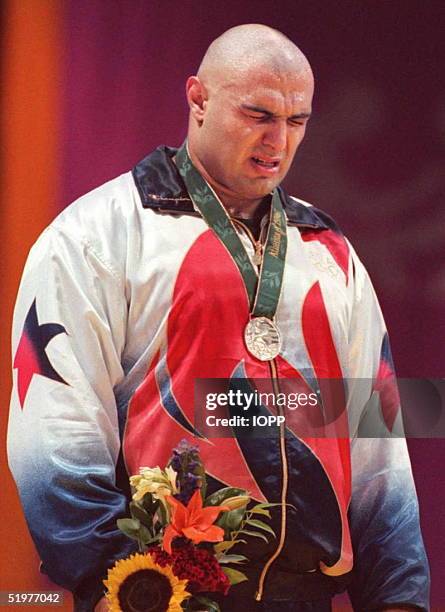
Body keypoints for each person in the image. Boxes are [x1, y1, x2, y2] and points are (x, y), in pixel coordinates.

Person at [8, 24, 429, 612]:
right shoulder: (93, 235)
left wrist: (399, 597)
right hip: (155, 591)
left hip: (305, 595)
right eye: (258, 114)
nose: (277, 141)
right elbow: (57, 429)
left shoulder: (328, 250)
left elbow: (377, 439)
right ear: (198, 98)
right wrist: (115, 582)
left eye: (297, 121)